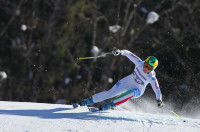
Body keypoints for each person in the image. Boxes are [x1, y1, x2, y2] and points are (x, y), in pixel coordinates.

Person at [75, 49, 164, 111]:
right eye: (146, 64)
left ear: (153, 69)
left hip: (138, 90)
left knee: (128, 94)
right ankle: (88, 101)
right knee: (110, 93)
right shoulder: (139, 63)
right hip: (128, 81)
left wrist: (159, 100)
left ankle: (110, 105)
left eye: (149, 67)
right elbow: (128, 53)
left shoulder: (151, 78)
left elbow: (157, 90)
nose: (146, 68)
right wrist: (120, 52)